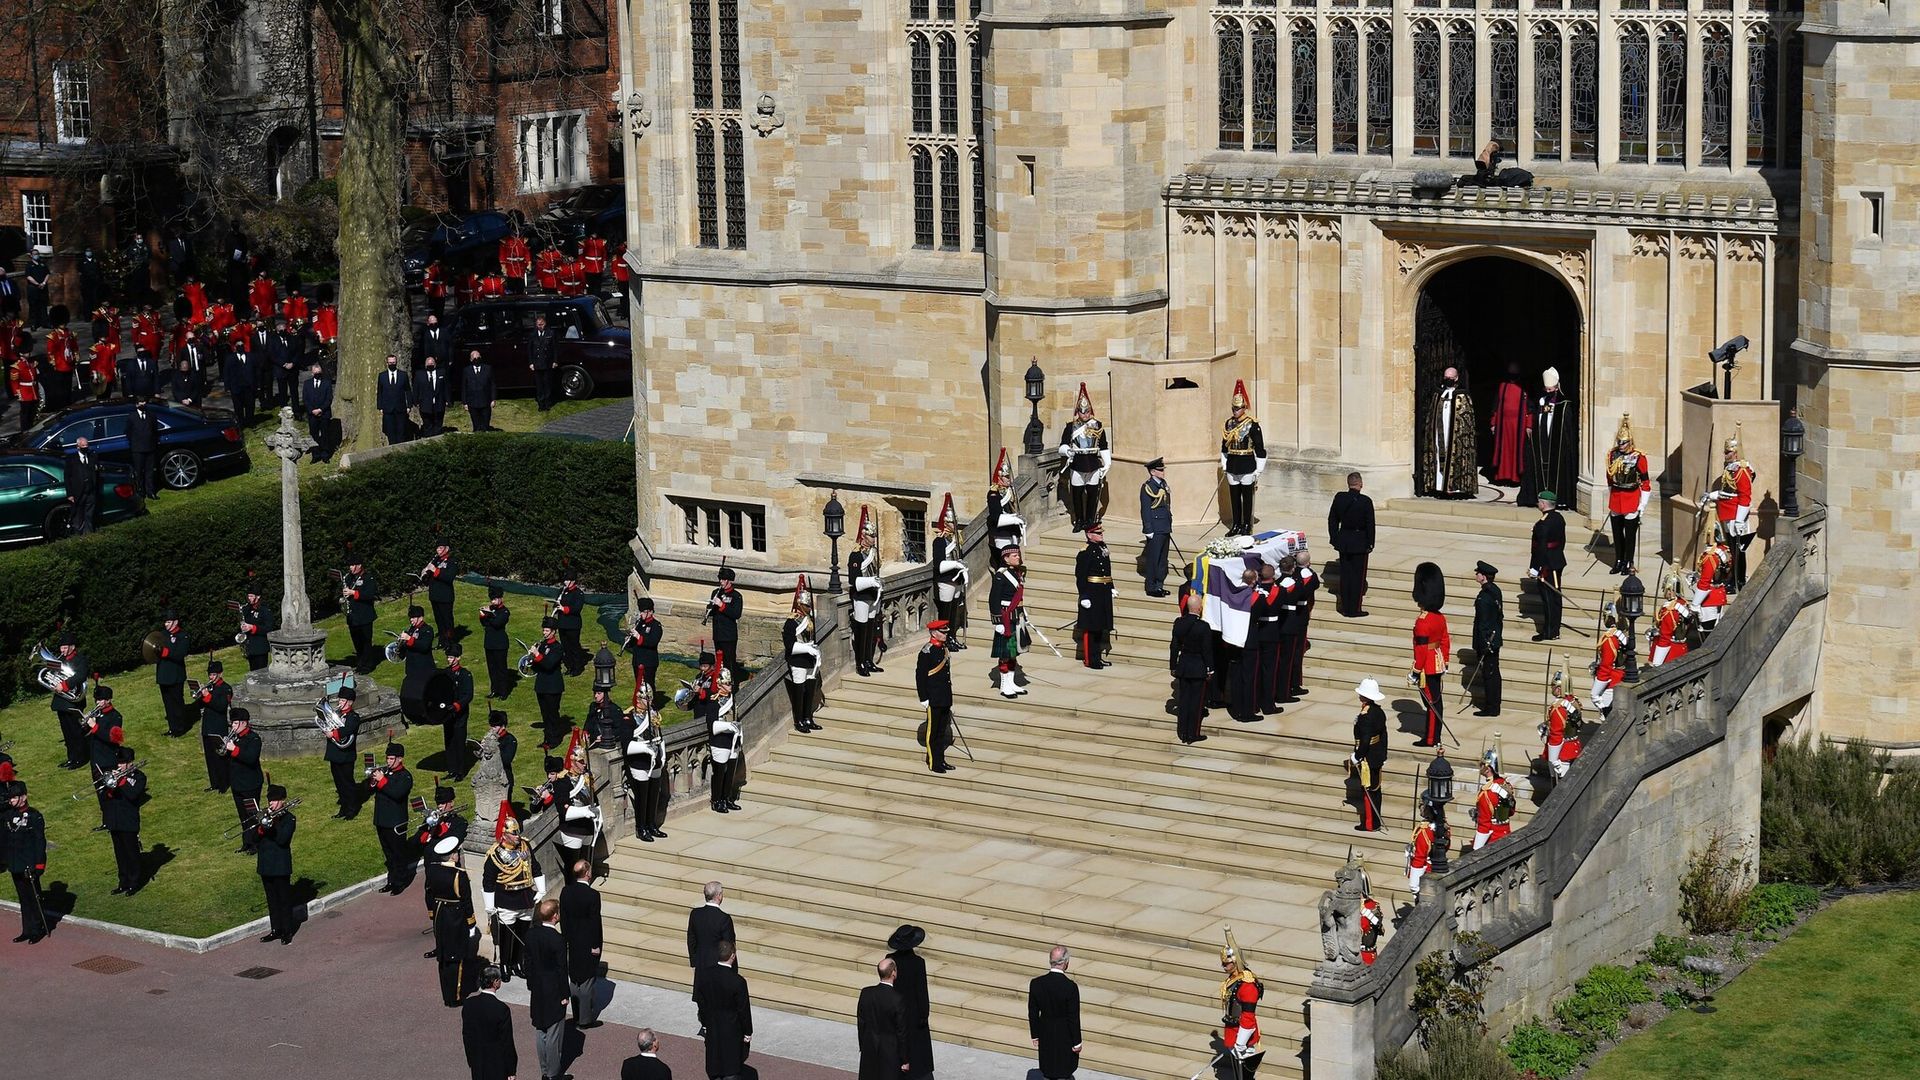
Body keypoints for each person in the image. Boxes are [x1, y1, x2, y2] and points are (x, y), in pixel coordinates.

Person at [483, 808, 544, 979]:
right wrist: (490, 906)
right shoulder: (495, 855)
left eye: (517, 832)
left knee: (523, 933)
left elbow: (535, 866)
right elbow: (488, 881)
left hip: (525, 896)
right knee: (507, 935)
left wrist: (541, 888)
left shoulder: (525, 845)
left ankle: (518, 962)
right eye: (513, 833)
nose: (517, 836)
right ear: (505, 834)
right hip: (507, 898)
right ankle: (505, 964)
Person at [426, 835, 480, 1005]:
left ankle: (446, 993)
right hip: (455, 918)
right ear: (452, 856)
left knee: (443, 956)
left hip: (440, 915)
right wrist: (471, 922)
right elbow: (466, 901)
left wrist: (432, 914)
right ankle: (455, 997)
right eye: (456, 853)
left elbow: (428, 895)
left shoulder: (432, 870)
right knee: (456, 957)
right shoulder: (459, 875)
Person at [694, 938, 753, 1080]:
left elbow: (701, 1002)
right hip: (732, 1029)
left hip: (713, 1025)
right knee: (731, 1066)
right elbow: (743, 1009)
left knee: (714, 1061)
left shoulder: (705, 976)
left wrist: (705, 1022)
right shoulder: (737, 981)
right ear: (732, 956)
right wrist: (747, 1031)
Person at [1704, 434, 1758, 591]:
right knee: (1733, 549)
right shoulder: (1731, 468)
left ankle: (1738, 581)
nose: (1725, 455)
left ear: (1735, 452)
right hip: (1728, 512)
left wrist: (1740, 520)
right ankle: (1733, 578)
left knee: (1738, 551)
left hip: (1736, 515)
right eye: (1725, 452)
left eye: (1728, 452)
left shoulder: (1741, 470)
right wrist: (1712, 495)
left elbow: (1745, 497)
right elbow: (1727, 491)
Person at [526, 898, 570, 1080]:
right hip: (553, 990)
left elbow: (527, 963)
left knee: (540, 1029)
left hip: (537, 987)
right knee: (553, 1033)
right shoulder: (557, 939)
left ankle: (545, 1070)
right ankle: (553, 1074)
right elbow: (561, 969)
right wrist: (564, 994)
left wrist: (531, 984)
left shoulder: (531, 935)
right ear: (554, 917)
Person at [1057, 383, 1111, 532]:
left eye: (1087, 411)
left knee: (1093, 495)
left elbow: (1104, 446)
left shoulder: (1098, 425)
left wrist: (1107, 463)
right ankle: (1079, 520)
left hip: (1093, 463)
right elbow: (1062, 445)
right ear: (1077, 412)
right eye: (1082, 412)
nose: (1085, 414)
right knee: (1077, 494)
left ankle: (1089, 520)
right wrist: (1067, 451)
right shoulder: (1071, 426)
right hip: (1077, 463)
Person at [1421, 365, 1478, 499]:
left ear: (1456, 378)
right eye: (1446, 377)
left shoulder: (1463, 395)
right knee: (1439, 456)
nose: (1448, 380)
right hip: (1439, 435)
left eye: (1450, 378)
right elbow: (1431, 416)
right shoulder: (1438, 394)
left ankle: (1455, 488)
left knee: (1453, 457)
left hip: (1456, 437)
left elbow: (1467, 420)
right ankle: (1439, 487)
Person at [367, 739, 416, 892]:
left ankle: (400, 882)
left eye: (391, 758)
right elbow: (372, 790)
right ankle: (391, 880)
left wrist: (382, 781)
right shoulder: (386, 773)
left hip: (396, 822)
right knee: (388, 854)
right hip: (382, 820)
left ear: (400, 759)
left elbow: (396, 793)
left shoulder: (405, 776)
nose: (388, 761)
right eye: (387, 758)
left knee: (398, 853)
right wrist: (374, 781)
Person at [1519, 368, 1572, 508]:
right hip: (1542, 440)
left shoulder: (1564, 404)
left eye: (1551, 390)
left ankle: (1558, 499)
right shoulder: (1541, 401)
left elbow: (1566, 428)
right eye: (1546, 389)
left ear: (1557, 387)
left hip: (1556, 443)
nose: (1548, 392)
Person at [1219, 379, 1266, 536]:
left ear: (1244, 408)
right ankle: (1236, 524)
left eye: (1238, 408)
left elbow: (1260, 449)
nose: (1235, 411)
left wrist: (1258, 470)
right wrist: (1225, 465)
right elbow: (1224, 447)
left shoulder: (1252, 424)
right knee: (1234, 497)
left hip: (1247, 464)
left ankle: (1247, 525)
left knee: (1247, 497)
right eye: (1233, 408)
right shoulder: (1228, 424)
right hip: (1233, 464)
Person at [886, 924, 934, 1077]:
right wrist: (923, 1014)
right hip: (913, 1011)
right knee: (917, 1049)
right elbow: (921, 991)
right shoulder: (918, 962)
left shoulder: (890, 960)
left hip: (894, 1008)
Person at [1605, 414, 1651, 574]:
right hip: (1617, 497)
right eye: (1619, 442)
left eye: (1624, 442)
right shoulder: (1612, 454)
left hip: (1631, 498)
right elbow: (1609, 477)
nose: (1621, 445)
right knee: (1617, 534)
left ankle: (1628, 561)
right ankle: (1618, 560)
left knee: (1630, 535)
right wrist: (1611, 494)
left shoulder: (1639, 457)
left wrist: (1642, 504)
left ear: (1630, 442)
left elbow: (1645, 482)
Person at [562, 858, 604, 1028]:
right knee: (586, 981)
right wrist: (596, 944)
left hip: (572, 941)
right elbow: (595, 922)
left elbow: (564, 919)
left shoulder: (566, 891)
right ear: (587, 873)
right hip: (587, 942)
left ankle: (577, 1013)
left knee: (574, 979)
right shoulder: (593, 895)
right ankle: (585, 1019)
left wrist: (566, 937)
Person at [1028, 945, 1082, 1079]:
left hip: (1045, 1032)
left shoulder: (1036, 983)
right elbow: (1073, 1017)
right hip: (1065, 1036)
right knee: (1064, 1070)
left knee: (1048, 1067)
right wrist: (1077, 1042)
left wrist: (1035, 1034)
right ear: (1066, 963)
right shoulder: (1070, 987)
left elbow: (1033, 1012)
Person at [7, 779, 50, 943]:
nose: (11, 800)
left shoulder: (34, 816)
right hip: (16, 864)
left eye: (14, 797)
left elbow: (40, 843)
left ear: (23, 797)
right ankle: (27, 929)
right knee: (23, 898)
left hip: (29, 864)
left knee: (34, 897)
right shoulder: (9, 816)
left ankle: (37, 929)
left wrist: (38, 865)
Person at [1411, 563, 1449, 748]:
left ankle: (1431, 738)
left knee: (1431, 704)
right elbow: (1445, 640)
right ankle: (1435, 736)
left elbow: (1420, 650)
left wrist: (1416, 670)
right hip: (1438, 662)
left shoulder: (1422, 622)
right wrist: (1445, 661)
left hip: (1426, 666)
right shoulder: (1439, 617)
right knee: (1435, 701)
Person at [254, 783, 297, 942]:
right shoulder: (264, 815)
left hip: (280, 865)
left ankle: (287, 931)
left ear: (282, 801)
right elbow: (253, 839)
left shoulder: (289, 818)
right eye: (270, 800)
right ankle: (275, 929)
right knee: (272, 900)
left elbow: (282, 839)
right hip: (265, 864)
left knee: (284, 899)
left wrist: (272, 825)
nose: (271, 803)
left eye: (274, 800)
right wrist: (261, 827)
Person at [1328, 472, 1375, 618]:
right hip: (1359, 541)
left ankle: (1344, 606)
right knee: (1357, 578)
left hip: (1344, 540)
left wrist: (1334, 538)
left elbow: (1332, 520)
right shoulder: (1365, 501)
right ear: (1360, 484)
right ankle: (1354, 609)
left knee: (1346, 575)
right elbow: (1370, 525)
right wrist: (1370, 543)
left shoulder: (1340, 498)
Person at [102, 744, 148, 894]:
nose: (119, 766)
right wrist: (111, 784)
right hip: (115, 819)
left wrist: (121, 781)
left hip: (128, 820)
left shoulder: (139, 777)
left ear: (130, 762)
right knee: (120, 853)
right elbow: (107, 797)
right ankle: (123, 881)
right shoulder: (113, 774)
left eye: (122, 763)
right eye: (118, 763)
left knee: (131, 853)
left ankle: (134, 882)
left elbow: (133, 795)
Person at [1169, 589, 1213, 744]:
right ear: (1199, 608)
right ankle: (1192, 733)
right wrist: (1210, 668)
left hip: (1184, 665)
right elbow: (1207, 650)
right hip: (1198, 667)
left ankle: (1182, 732)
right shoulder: (1203, 627)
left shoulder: (1179, 623)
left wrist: (1173, 665)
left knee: (1184, 700)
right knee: (1196, 702)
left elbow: (1174, 647)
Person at [846, 505, 885, 676]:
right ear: (863, 536)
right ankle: (860, 663)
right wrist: (871, 581)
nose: (873, 538)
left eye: (875, 535)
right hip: (861, 597)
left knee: (871, 630)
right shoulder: (856, 555)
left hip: (873, 596)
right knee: (861, 632)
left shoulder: (874, 554)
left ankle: (869, 660)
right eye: (871, 535)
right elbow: (853, 580)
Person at [626, 687, 669, 841]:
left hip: (655, 760)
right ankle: (641, 827)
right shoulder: (630, 717)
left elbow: (659, 735)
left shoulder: (653, 714)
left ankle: (651, 824)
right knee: (642, 797)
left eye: (650, 698)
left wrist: (662, 754)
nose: (649, 701)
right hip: (640, 762)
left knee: (653, 794)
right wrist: (644, 748)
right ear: (638, 699)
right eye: (646, 698)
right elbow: (627, 745)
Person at [1217, 937, 1264, 1077]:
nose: (1223, 967)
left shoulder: (1247, 985)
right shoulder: (1234, 979)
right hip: (1233, 1030)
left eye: (1226, 964)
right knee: (1238, 1073)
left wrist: (1241, 1043)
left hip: (1242, 1033)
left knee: (1245, 1074)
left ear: (1235, 962)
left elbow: (1248, 1016)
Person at [857, 957, 910, 1080]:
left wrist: (863, 1045)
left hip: (869, 1046)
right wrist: (905, 1059)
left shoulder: (866, 993)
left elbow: (861, 1022)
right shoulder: (898, 999)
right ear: (893, 973)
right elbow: (901, 1031)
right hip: (890, 1051)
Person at [464, 966, 520, 1080]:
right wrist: (511, 1069)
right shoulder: (501, 1009)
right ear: (495, 982)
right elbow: (507, 1041)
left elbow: (467, 1035)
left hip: (477, 1061)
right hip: (497, 1063)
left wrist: (471, 1059)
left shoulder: (469, 1004)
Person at [989, 545, 1030, 699]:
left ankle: (1011, 683)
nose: (1017, 557)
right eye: (1014, 555)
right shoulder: (1001, 575)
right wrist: (997, 621)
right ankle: (1004, 685)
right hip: (1006, 619)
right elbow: (994, 599)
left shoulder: (1016, 573)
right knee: (1005, 654)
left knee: (1013, 652)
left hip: (1016, 616)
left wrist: (1023, 613)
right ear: (1006, 558)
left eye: (1018, 555)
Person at [915, 621, 955, 774]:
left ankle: (941, 760)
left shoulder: (943, 649)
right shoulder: (927, 652)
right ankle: (933, 762)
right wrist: (923, 698)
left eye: (946, 632)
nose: (945, 635)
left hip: (944, 696)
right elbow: (920, 677)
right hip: (933, 697)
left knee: (941, 732)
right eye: (942, 632)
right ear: (933, 633)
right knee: (933, 733)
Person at [1074, 522, 1115, 669]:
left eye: (1101, 533)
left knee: (1100, 627)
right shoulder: (1085, 552)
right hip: (1091, 592)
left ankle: (1097, 656)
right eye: (1098, 533)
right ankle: (1090, 659)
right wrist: (1084, 596)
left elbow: (1107, 570)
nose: (1101, 535)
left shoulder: (1102, 547)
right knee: (1092, 628)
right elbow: (1081, 576)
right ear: (1089, 535)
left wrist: (1111, 586)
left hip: (1102, 592)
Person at [224, 709, 265, 854]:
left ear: (244, 723)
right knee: (242, 816)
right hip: (237, 783)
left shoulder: (253, 739)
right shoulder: (236, 738)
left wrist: (234, 749)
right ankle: (247, 843)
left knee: (252, 815)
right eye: (232, 723)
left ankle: (256, 843)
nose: (233, 727)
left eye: (235, 723)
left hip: (250, 783)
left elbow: (250, 758)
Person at [783, 580, 821, 733]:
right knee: (799, 692)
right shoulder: (792, 622)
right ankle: (798, 720)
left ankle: (807, 717)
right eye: (807, 606)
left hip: (810, 660)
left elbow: (812, 639)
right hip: (798, 661)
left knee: (810, 690)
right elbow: (790, 645)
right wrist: (806, 648)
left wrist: (815, 651)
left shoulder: (810, 619)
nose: (808, 609)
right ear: (800, 605)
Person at [1528, 492, 1567, 641]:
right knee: (1553, 597)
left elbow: (1540, 548)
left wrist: (1535, 568)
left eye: (1539, 502)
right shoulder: (1559, 518)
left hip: (1547, 565)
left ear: (1543, 504)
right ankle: (1553, 629)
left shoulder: (1543, 523)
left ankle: (1550, 631)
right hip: (1555, 560)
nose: (1538, 504)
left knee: (1550, 599)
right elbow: (1562, 542)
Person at [1350, 678, 1388, 832]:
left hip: (1367, 757)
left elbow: (1365, 741)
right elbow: (1384, 735)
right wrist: (1384, 755)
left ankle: (1370, 823)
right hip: (1377, 755)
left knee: (1368, 791)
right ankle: (1375, 820)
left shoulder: (1366, 716)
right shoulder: (1379, 712)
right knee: (1375, 789)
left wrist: (1357, 756)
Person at [930, 495, 969, 644]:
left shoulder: (956, 539)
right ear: (946, 523)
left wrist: (962, 569)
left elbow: (960, 558)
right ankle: (944, 639)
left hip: (957, 579)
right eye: (952, 522)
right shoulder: (940, 541)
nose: (955, 524)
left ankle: (952, 637)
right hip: (946, 580)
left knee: (954, 611)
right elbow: (939, 565)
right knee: (945, 613)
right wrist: (956, 565)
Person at [49, 632, 90, 770]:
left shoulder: (80, 659)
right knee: (66, 732)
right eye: (61, 647)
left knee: (76, 731)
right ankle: (71, 758)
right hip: (61, 701)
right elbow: (51, 674)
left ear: (72, 646)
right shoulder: (60, 660)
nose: (62, 650)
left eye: (65, 647)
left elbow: (81, 675)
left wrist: (65, 685)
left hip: (74, 701)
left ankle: (82, 758)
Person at [322, 685, 364, 818]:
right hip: (335, 754)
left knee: (348, 784)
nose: (339, 702)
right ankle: (343, 809)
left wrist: (332, 733)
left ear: (349, 702)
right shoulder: (337, 714)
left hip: (346, 755)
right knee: (339, 784)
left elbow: (347, 729)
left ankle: (352, 809)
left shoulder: (353, 716)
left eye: (342, 700)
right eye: (339, 700)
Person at [1488, 362, 1529, 486]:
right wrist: (1493, 423)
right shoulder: (1502, 387)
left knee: (1515, 452)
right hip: (1503, 426)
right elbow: (1496, 406)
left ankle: (1515, 478)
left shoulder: (1525, 388)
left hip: (1518, 427)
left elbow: (1530, 408)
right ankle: (1502, 477)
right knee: (1503, 451)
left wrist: (1529, 425)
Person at [1471, 561, 1503, 717]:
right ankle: (1494, 705)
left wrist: (1484, 644)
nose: (1476, 575)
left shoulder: (1484, 597)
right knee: (1494, 673)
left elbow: (1483, 623)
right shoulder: (1495, 590)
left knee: (1489, 675)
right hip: (1495, 638)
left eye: (1478, 573)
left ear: (1484, 577)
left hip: (1487, 641)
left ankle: (1491, 707)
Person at [709, 671, 743, 812]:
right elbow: (712, 725)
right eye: (727, 683)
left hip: (732, 741)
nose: (730, 686)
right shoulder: (714, 703)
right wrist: (728, 726)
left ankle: (727, 798)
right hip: (720, 741)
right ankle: (717, 800)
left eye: (730, 683)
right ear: (719, 685)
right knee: (720, 773)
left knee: (730, 773)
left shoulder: (732, 700)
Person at [197, 660, 234, 792]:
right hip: (207, 726)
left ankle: (224, 783)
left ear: (220, 674)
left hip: (218, 726)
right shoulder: (210, 687)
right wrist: (200, 696)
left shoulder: (226, 688)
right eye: (210, 675)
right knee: (210, 758)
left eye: (213, 674)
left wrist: (207, 697)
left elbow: (221, 706)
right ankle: (214, 783)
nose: (211, 677)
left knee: (220, 757)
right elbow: (201, 706)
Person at [1139, 458, 1173, 597]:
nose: (1163, 472)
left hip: (1164, 525)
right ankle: (1151, 586)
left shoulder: (1163, 484)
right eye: (1160, 470)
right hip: (1155, 527)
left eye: (1163, 469)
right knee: (1154, 559)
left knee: (1163, 559)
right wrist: (1148, 529)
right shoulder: (1148, 487)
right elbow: (1145, 510)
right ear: (1153, 472)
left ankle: (1159, 585)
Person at [154, 610, 191, 736]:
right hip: (163, 675)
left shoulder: (182, 636)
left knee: (177, 702)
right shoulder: (162, 635)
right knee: (168, 703)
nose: (166, 624)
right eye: (165, 622)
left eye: (169, 622)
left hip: (176, 675)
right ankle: (172, 728)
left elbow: (181, 653)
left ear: (176, 622)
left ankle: (180, 728)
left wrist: (167, 653)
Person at [531, 617, 567, 749]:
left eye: (547, 630)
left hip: (553, 686)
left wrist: (537, 655)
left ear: (553, 632)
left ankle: (555, 739)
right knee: (545, 714)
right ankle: (547, 738)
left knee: (552, 714)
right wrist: (532, 658)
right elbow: (537, 666)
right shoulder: (542, 645)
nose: (544, 633)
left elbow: (549, 664)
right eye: (544, 630)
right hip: (542, 685)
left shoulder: (557, 647)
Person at [687, 881, 735, 977]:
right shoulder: (724, 918)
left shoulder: (695, 914)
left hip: (700, 964)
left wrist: (694, 963)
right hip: (717, 967)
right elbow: (728, 945)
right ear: (719, 896)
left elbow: (691, 940)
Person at [1692, 529, 1733, 637]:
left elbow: (1705, 581)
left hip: (1708, 597)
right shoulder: (1724, 550)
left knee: (1707, 631)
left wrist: (1695, 603)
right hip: (1719, 592)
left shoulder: (1710, 556)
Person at [707, 567, 744, 683]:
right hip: (717, 633)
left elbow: (736, 614)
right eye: (720, 579)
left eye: (723, 580)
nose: (721, 582)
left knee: (729, 661)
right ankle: (720, 682)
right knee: (719, 660)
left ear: (729, 581)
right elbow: (713, 611)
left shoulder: (736, 596)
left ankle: (731, 683)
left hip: (728, 635)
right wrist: (709, 608)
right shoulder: (716, 592)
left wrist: (722, 605)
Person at [1542, 672, 1581, 779]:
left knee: (1559, 784)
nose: (1552, 688)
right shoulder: (1573, 701)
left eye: (1553, 686)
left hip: (1562, 752)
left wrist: (1553, 759)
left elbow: (1556, 734)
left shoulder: (1558, 708)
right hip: (1573, 746)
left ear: (1559, 688)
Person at [445, 644, 475, 780]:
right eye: (448, 657)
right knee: (449, 741)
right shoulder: (446, 672)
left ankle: (460, 770)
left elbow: (468, 695)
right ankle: (451, 769)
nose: (449, 660)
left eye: (451, 657)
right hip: (447, 714)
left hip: (460, 713)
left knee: (459, 741)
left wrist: (457, 705)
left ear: (458, 658)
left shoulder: (465, 674)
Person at [480, 586, 514, 700]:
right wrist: (483, 615)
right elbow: (485, 623)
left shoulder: (504, 611)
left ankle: (503, 691)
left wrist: (488, 615)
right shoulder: (492, 609)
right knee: (492, 668)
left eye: (495, 599)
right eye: (492, 599)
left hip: (500, 644)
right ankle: (494, 690)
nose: (493, 601)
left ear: (500, 599)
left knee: (501, 668)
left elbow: (497, 623)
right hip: (489, 642)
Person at [1647, 582, 1693, 667]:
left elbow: (1665, 636)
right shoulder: (1683, 603)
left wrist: (1657, 661)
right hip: (1683, 648)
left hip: (1670, 652)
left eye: (1667, 589)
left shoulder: (1669, 610)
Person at [1591, 606, 1627, 716]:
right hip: (1622, 675)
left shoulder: (1609, 639)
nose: (1603, 619)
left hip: (1611, 681)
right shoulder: (1621, 635)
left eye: (1604, 616)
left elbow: (1606, 666)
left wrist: (1595, 692)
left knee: (1596, 699)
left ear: (1610, 618)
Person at [623, 596, 662, 696]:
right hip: (637, 660)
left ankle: (651, 706)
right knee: (639, 685)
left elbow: (653, 642)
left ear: (651, 611)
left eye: (644, 612)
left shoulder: (656, 625)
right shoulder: (639, 623)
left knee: (648, 686)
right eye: (641, 611)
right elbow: (634, 642)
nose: (641, 614)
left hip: (648, 661)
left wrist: (639, 636)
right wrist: (628, 641)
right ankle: (640, 705)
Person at [1473, 762, 1514, 849]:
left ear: (1488, 769)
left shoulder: (1486, 794)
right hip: (1506, 832)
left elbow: (1484, 824)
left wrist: (1476, 848)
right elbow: (1511, 811)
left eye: (1482, 766)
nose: (1480, 768)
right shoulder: (1505, 784)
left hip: (1493, 839)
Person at [62, 436, 99, 536]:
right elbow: (67, 477)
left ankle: (89, 534)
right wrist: (70, 494)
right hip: (78, 492)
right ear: (77, 446)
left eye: (86, 445)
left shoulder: (92, 456)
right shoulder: (71, 459)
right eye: (83, 446)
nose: (85, 447)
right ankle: (78, 535)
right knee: (78, 515)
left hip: (90, 491)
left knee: (89, 515)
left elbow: (96, 473)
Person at [555, 574, 588, 676]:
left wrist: (564, 609)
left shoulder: (578, 593)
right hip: (562, 623)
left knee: (574, 646)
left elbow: (577, 608)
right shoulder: (562, 591)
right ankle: (569, 666)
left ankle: (577, 667)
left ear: (573, 581)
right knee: (565, 646)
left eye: (567, 580)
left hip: (573, 624)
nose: (565, 582)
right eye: (564, 580)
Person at [376, 354, 412, 446]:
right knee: (390, 432)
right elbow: (380, 392)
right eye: (390, 362)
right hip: (388, 409)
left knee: (401, 432)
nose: (392, 364)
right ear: (387, 363)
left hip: (401, 408)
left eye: (394, 362)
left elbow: (408, 390)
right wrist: (380, 407)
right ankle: (392, 449)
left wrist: (409, 405)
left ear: (396, 362)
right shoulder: (382, 376)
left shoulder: (403, 375)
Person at [302, 361, 333, 462]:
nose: (317, 374)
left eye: (319, 372)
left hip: (324, 413)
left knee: (325, 434)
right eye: (315, 372)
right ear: (312, 373)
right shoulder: (307, 384)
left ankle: (325, 455)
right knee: (313, 435)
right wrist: (312, 410)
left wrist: (321, 409)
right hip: (312, 415)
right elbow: (305, 399)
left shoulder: (327, 383)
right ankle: (315, 455)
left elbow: (329, 399)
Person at [238, 585, 275, 671]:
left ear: (258, 597)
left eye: (251, 596)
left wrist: (253, 627)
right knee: (252, 672)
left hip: (260, 647)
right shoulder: (246, 609)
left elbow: (268, 628)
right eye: (248, 596)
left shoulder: (265, 610)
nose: (249, 598)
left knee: (261, 672)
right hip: (250, 647)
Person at [528, 315, 557, 411]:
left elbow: (554, 348)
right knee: (539, 385)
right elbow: (530, 350)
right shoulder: (533, 335)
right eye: (538, 325)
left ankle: (547, 403)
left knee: (547, 384)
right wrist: (531, 363)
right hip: (537, 364)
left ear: (545, 324)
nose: (540, 326)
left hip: (547, 363)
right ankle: (541, 404)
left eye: (542, 324)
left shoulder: (550, 333)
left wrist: (555, 361)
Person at [416, 355, 450, 438]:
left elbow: (446, 387)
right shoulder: (419, 374)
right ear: (425, 365)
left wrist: (448, 400)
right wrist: (416, 401)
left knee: (438, 424)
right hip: (425, 404)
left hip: (439, 403)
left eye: (432, 363)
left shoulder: (442, 373)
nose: (430, 365)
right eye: (428, 363)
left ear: (435, 364)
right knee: (427, 424)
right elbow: (416, 388)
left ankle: (437, 440)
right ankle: (428, 440)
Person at [462, 350, 496, 433]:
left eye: (478, 357)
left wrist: (493, 399)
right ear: (470, 360)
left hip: (485, 401)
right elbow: (464, 387)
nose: (476, 359)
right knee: (476, 426)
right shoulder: (466, 370)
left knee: (485, 425)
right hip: (472, 402)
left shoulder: (488, 368)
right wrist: (464, 402)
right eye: (474, 358)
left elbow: (492, 385)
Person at [8, 349, 38, 434]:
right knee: (25, 413)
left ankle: (31, 428)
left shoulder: (30, 363)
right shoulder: (17, 366)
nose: (28, 353)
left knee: (32, 411)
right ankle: (25, 430)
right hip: (24, 392)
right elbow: (14, 382)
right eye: (26, 352)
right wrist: (18, 393)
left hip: (32, 391)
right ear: (21, 353)